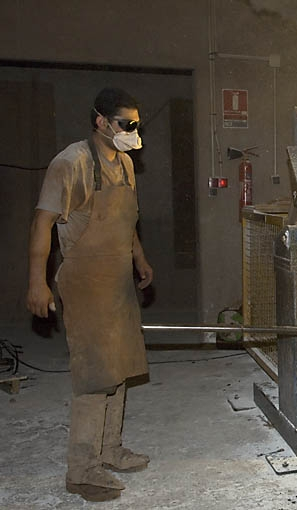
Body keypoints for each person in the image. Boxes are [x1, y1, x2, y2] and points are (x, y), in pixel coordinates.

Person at [26, 87, 153, 501]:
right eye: (125, 124)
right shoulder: (71, 163)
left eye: (136, 124)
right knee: (95, 376)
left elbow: (128, 221)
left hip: (118, 281)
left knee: (120, 368)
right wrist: (37, 282)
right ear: (100, 122)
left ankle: (109, 449)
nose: (132, 132)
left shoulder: (126, 165)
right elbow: (42, 224)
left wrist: (139, 259)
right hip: (84, 280)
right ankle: (81, 471)